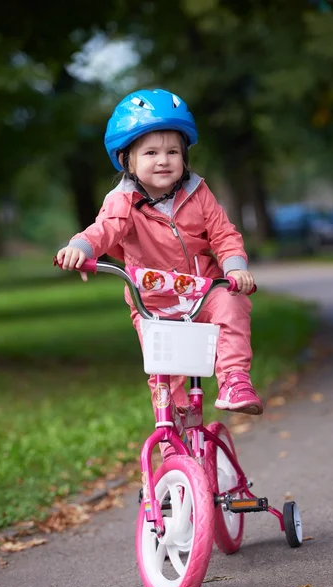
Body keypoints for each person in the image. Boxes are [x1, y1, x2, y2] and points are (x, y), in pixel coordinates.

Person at [57, 88, 263, 417]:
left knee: (232, 300)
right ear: (128, 160)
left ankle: (235, 380)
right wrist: (80, 248)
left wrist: (235, 267)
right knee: (168, 386)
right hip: (152, 302)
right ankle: (170, 441)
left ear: (185, 157)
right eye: (151, 152)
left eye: (172, 151)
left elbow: (223, 233)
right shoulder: (123, 201)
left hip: (203, 289)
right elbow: (104, 229)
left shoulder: (198, 192)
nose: (163, 160)